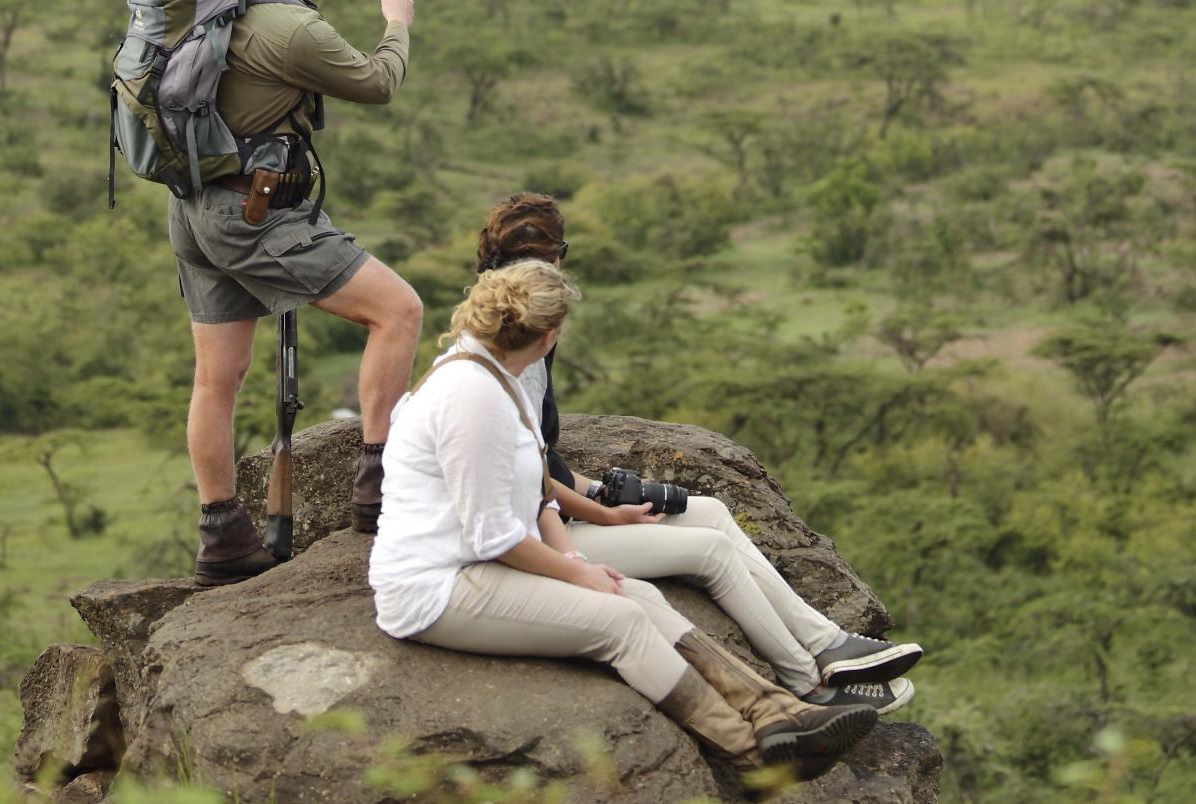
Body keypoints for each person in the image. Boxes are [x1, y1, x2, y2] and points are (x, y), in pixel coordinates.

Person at [369, 259, 876, 779]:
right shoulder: (470, 397)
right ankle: (749, 754)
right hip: (435, 585)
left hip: (479, 562)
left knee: (640, 596)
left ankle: (777, 713)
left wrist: (573, 557)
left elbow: (540, 497)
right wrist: (577, 573)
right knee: (621, 623)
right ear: (547, 337)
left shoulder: (498, 380)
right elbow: (491, 533)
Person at [468, 193, 926, 713]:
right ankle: (807, 684)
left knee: (710, 511)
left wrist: (596, 490)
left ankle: (826, 644)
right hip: (538, 541)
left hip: (550, 517)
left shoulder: (510, 337)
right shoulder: (512, 360)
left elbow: (537, 461)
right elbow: (528, 487)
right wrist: (604, 514)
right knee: (711, 551)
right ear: (552, 265)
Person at [173, 0, 426, 586]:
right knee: (398, 311)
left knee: (216, 378)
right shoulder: (295, 29)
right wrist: (395, 24)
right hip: (254, 215)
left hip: (194, 204)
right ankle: (379, 493)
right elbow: (377, 84)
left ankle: (221, 538)